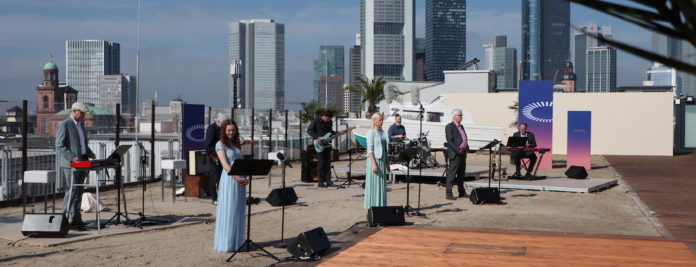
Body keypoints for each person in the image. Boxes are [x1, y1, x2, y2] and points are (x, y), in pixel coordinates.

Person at [56, 102, 95, 230]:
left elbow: (82, 144)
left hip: (82, 161)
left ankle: (76, 219)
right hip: (71, 164)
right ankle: (62, 219)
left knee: (79, 191)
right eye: (82, 113)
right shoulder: (65, 124)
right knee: (72, 190)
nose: (83, 115)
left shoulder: (81, 125)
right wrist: (72, 157)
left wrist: (89, 152)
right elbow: (60, 145)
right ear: (74, 111)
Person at [213, 120, 248, 253]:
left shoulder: (236, 143)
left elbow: (241, 162)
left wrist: (245, 177)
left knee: (238, 210)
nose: (231, 132)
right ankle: (227, 243)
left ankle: (237, 242)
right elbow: (225, 165)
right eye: (228, 130)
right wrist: (237, 178)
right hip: (229, 180)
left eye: (233, 130)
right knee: (229, 209)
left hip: (240, 179)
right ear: (224, 131)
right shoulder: (220, 144)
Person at [306, 110, 336, 187]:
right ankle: (321, 182)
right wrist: (316, 137)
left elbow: (330, 131)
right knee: (321, 163)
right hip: (319, 144)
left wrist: (336, 133)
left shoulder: (329, 122)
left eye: (330, 118)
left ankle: (328, 181)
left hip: (328, 144)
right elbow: (309, 130)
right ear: (324, 116)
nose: (329, 120)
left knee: (328, 163)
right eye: (328, 118)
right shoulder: (316, 120)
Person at [364, 113, 388, 208]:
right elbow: (370, 150)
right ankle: (373, 206)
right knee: (374, 185)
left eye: (382, 120)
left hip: (382, 161)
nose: (381, 122)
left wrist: (388, 163)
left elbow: (384, 149)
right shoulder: (371, 132)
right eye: (379, 120)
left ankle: (381, 206)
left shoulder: (382, 132)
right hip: (374, 161)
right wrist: (374, 164)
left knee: (381, 186)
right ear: (374, 120)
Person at [444, 109, 468, 200]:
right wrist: (458, 150)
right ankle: (449, 193)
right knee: (452, 174)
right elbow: (450, 141)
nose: (461, 117)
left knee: (461, 175)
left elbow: (464, 138)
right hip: (455, 154)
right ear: (454, 116)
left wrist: (467, 147)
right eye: (460, 115)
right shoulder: (449, 126)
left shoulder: (461, 126)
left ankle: (461, 192)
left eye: (462, 115)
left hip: (463, 153)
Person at [205, 113, 228, 205]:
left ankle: (221, 196)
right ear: (218, 121)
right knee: (214, 177)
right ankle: (214, 198)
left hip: (220, 155)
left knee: (221, 177)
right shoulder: (211, 129)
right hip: (213, 156)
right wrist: (218, 153)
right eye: (223, 124)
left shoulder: (222, 129)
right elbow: (207, 146)